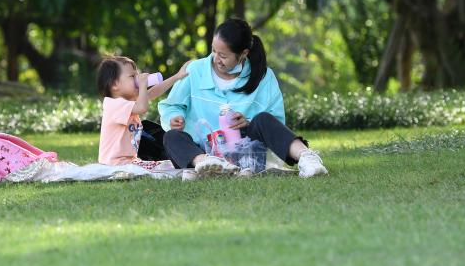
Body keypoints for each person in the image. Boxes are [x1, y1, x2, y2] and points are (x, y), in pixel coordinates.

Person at [158, 17, 328, 178]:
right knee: (172, 137)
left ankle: (307, 158)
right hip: (202, 149)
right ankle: (207, 164)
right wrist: (174, 117)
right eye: (214, 51)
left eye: (223, 55)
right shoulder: (195, 70)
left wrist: (248, 122)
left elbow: (275, 122)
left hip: (248, 151)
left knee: (262, 119)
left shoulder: (263, 76)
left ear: (243, 53)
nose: (216, 59)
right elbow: (171, 106)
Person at [95, 55, 190, 167]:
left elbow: (152, 93)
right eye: (132, 76)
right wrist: (143, 85)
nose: (138, 79)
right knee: (164, 168)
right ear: (114, 84)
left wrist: (177, 77)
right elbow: (142, 108)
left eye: (137, 75)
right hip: (114, 163)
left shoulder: (129, 101)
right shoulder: (113, 104)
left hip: (128, 161)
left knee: (167, 165)